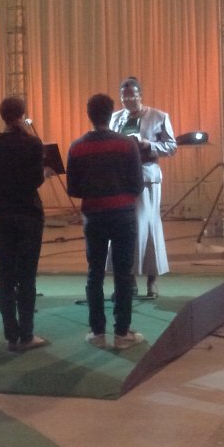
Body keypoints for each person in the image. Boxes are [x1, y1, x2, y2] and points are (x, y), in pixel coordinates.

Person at [66, 93, 146, 351]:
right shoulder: (127, 145)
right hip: (123, 214)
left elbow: (73, 189)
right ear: (111, 114)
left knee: (95, 273)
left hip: (94, 216)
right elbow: (137, 184)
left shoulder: (77, 147)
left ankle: (97, 332)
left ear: (89, 115)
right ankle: (122, 334)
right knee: (123, 274)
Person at [0, 96, 48, 352]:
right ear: (22, 114)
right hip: (28, 213)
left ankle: (11, 335)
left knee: (6, 275)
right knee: (27, 277)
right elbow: (35, 180)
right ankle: (27, 334)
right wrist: (45, 173)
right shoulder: (32, 143)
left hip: (3, 213)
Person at [108, 76, 177, 298]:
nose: (128, 100)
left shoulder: (158, 116)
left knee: (147, 226)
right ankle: (128, 279)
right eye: (124, 97)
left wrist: (149, 145)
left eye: (132, 96)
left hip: (146, 177)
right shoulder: (115, 118)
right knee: (123, 228)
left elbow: (171, 146)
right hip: (121, 180)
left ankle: (151, 279)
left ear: (140, 95)